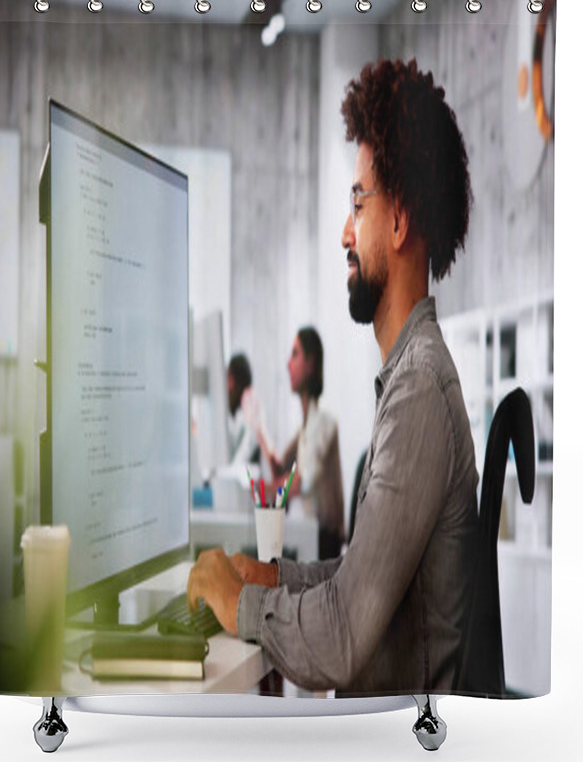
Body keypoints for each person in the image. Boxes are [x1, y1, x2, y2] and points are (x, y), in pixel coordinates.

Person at [188, 58, 479, 697]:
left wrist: (236, 604)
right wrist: (267, 580)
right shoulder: (408, 377)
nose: (345, 232)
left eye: (357, 203)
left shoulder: (419, 389)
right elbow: (356, 581)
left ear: (398, 220)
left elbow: (343, 637)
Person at [264, 327, 346, 560]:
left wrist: (265, 490)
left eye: (295, 354)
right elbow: (279, 468)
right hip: (309, 538)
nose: (288, 364)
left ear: (310, 363)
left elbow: (302, 482)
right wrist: (259, 428)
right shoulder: (304, 430)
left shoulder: (325, 425)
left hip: (324, 546)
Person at [226, 353, 261, 467]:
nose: (226, 386)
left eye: (229, 379)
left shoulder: (249, 418)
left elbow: (240, 460)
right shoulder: (236, 418)